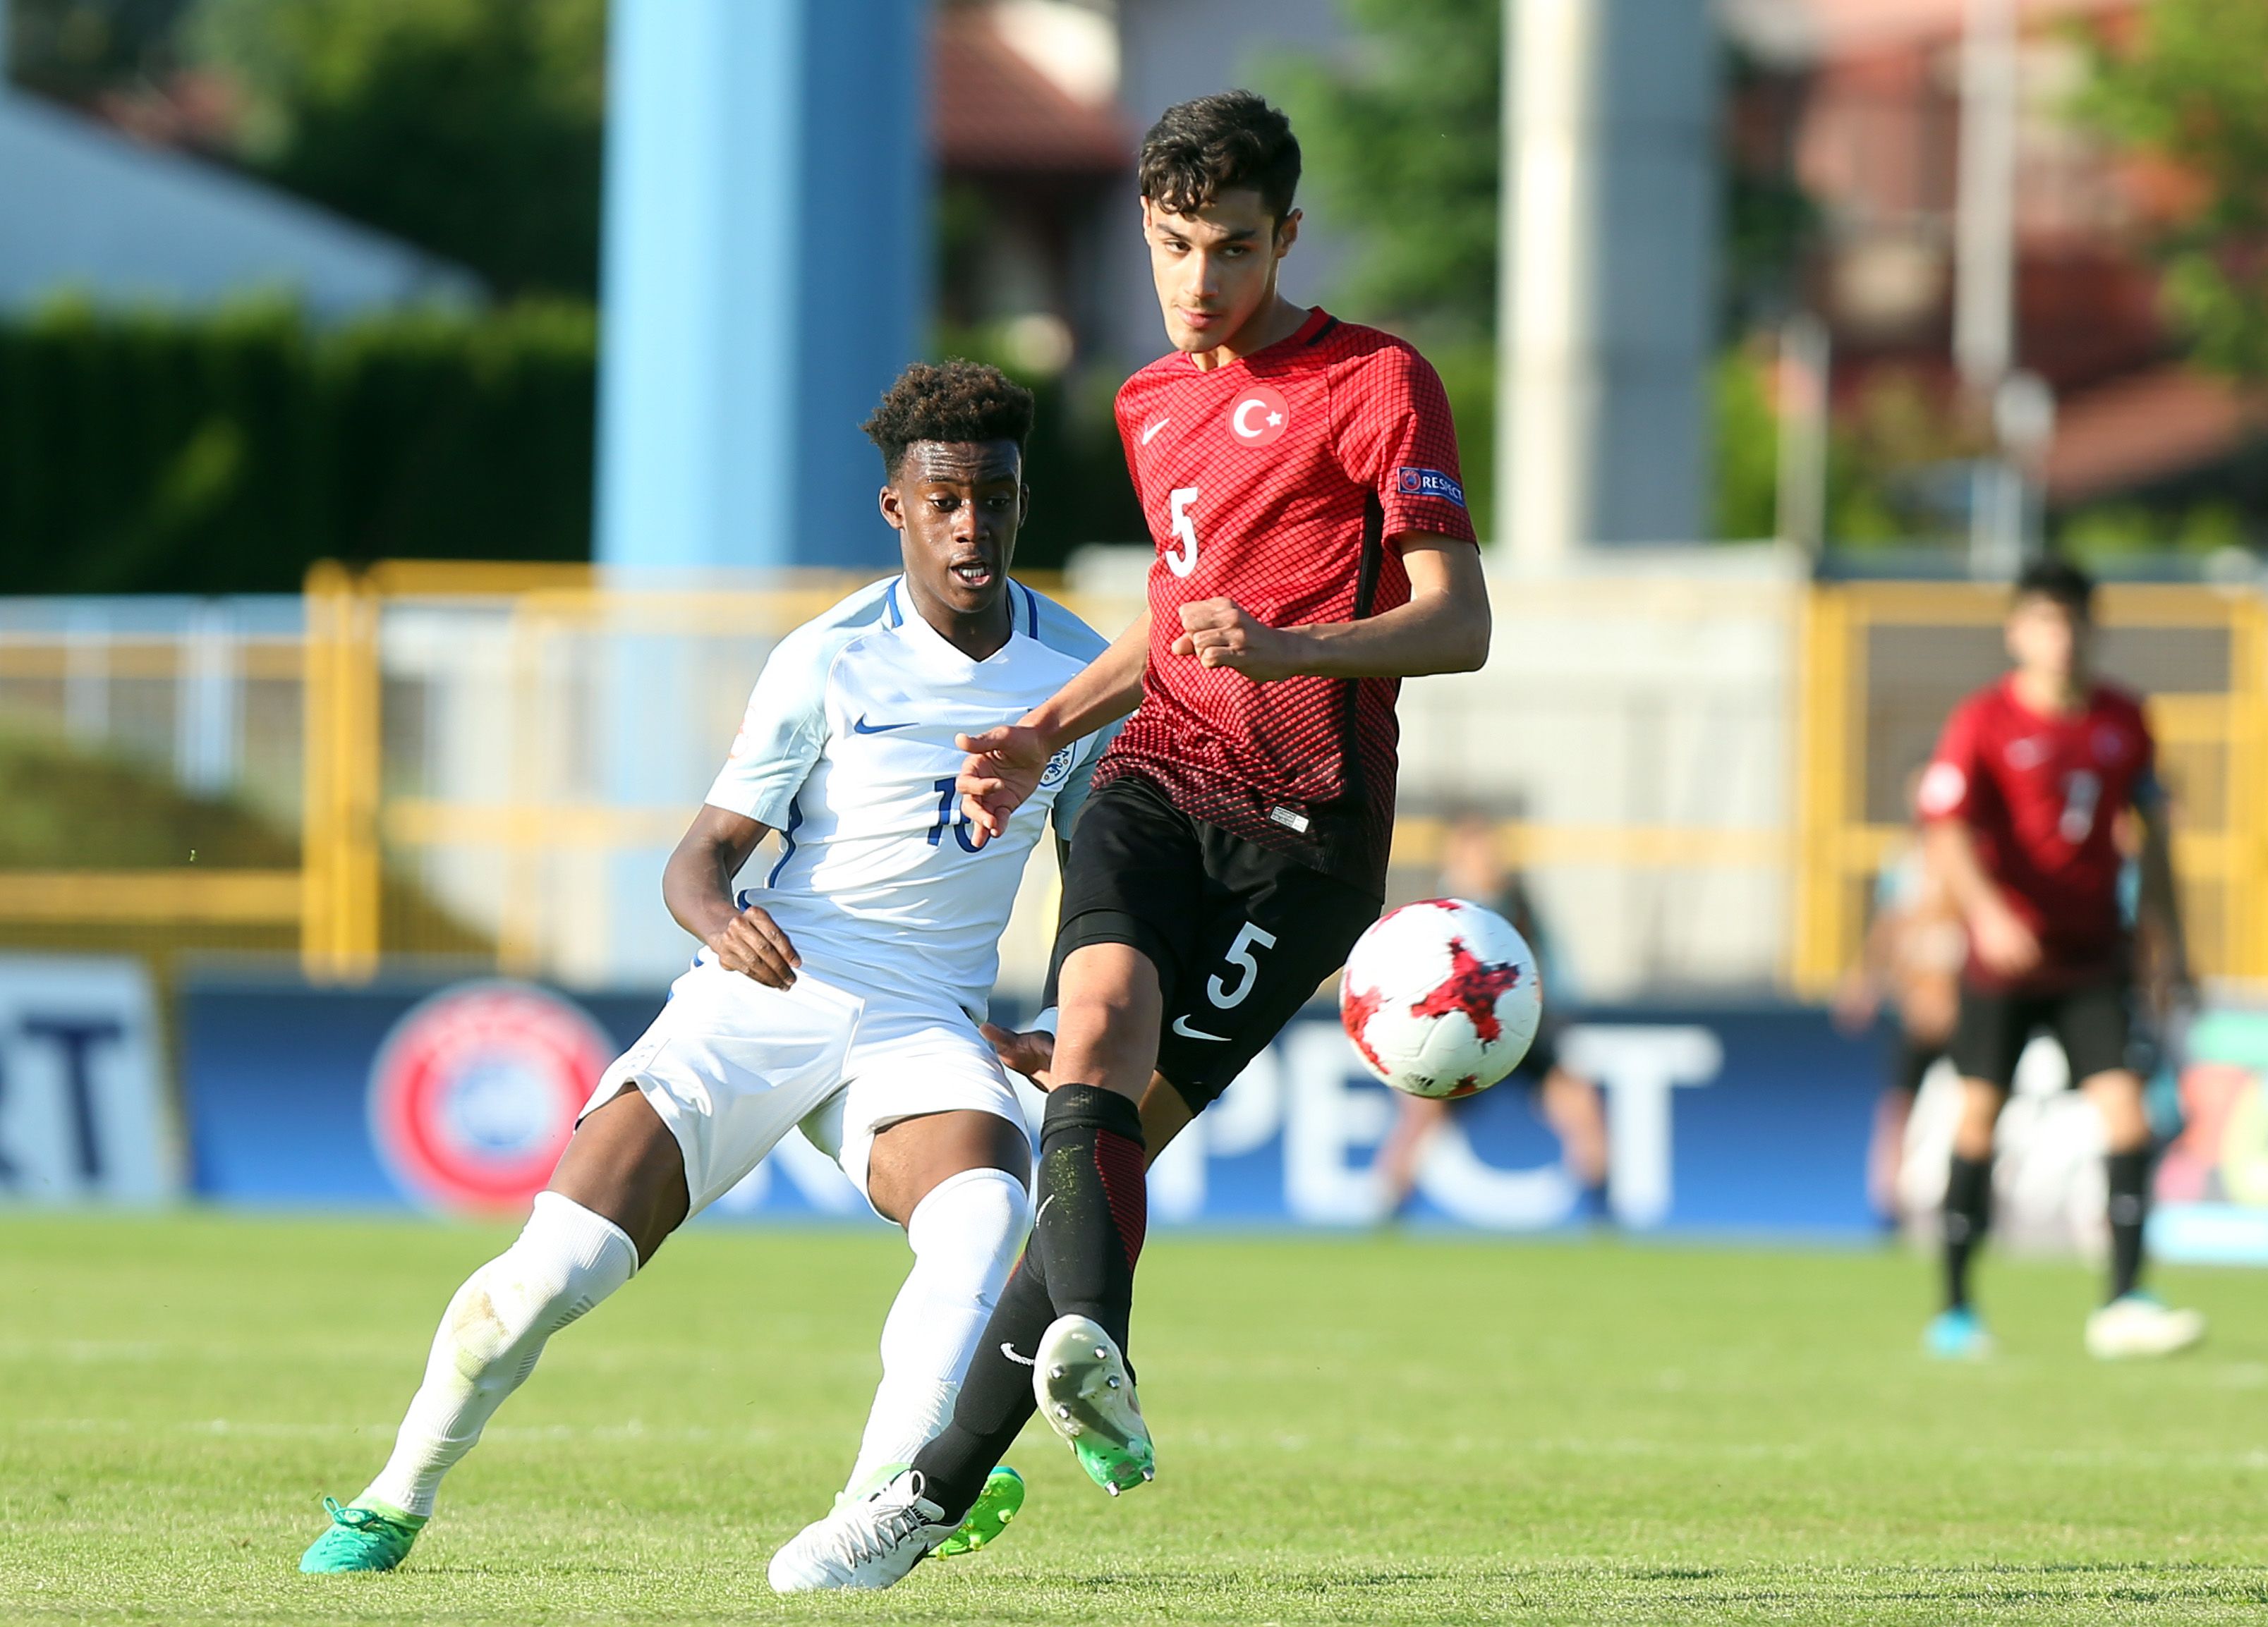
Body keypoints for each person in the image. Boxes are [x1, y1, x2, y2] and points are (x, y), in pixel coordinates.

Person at [769, 89, 1492, 1592]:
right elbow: (1175, 619)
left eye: (1232, 247)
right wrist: (1047, 729)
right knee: (1087, 1039)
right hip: (1154, 780)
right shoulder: (1148, 400)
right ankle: (1040, 1391)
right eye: (1172, 245)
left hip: (1305, 842)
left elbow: (1461, 623)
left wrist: (1289, 650)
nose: (1198, 279)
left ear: (1287, 236)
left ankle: (950, 1468)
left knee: (1098, 1167)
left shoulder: (1378, 381)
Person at [299, 361, 1119, 1573]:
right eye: (943, 501)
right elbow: (700, 860)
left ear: (1021, 497)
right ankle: (394, 1493)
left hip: (921, 1019)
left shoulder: (1081, 674)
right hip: (770, 992)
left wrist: (1062, 1006)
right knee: (552, 1275)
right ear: (896, 508)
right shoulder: (826, 659)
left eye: (992, 497)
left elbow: (1097, 865)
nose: (971, 526)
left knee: (985, 1207)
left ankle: (881, 1500)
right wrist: (718, 920)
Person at [1915, 557, 2202, 1361]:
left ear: (2091, 627)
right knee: (1976, 1121)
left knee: (2128, 1115)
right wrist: (1988, 912)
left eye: (2072, 621)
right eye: (2043, 621)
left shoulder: (2124, 719)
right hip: (2002, 968)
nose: (2059, 637)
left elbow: (2155, 838)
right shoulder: (1981, 721)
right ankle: (1955, 1310)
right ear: (2016, 632)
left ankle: (2122, 1299)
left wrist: (2171, 946)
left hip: (2090, 961)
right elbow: (1944, 832)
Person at [1371, 810, 1608, 1220]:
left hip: (1518, 1031)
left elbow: (1551, 963)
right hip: (1452, 1037)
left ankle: (1604, 1212)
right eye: (1479, 851)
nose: (1490, 859)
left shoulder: (1518, 902)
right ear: (1455, 858)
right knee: (1419, 1121)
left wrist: (1557, 1011)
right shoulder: (1433, 913)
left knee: (1579, 1106)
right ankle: (1387, 1210)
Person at [1833, 776, 1969, 1228]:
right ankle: (1886, 1210)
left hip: (1967, 1008)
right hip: (1916, 1010)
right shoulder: (1903, 860)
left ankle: (1968, 1203)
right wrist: (1865, 980)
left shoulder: (1977, 858)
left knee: (1975, 1106)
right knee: (1898, 1108)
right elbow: (1890, 927)